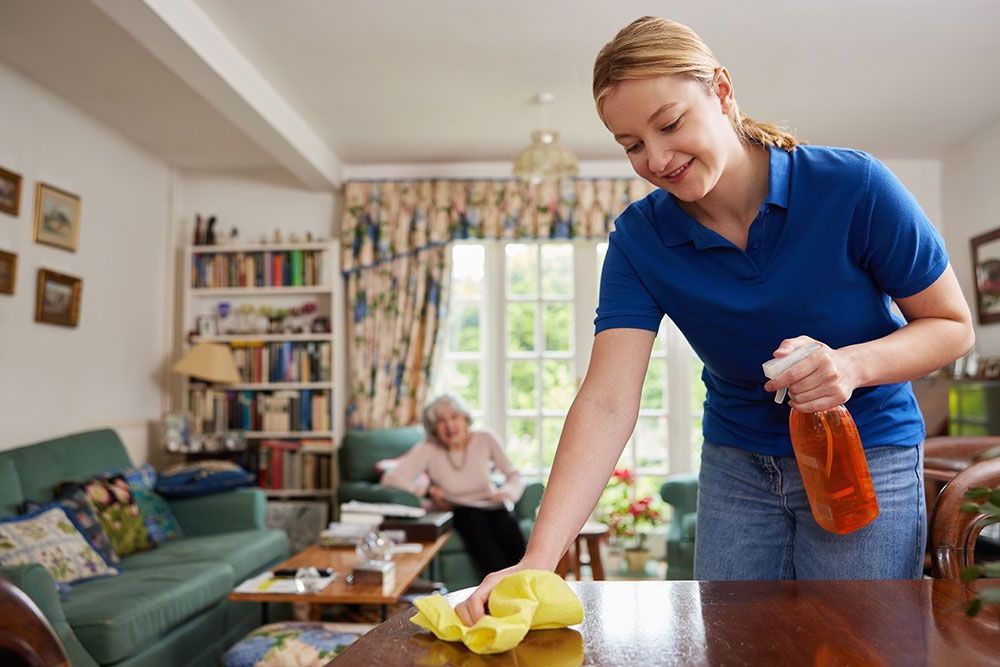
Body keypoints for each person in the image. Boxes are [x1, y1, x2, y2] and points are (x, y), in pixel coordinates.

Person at [456, 16, 975, 624]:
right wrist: (537, 561)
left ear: (721, 91)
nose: (656, 158)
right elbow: (606, 400)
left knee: (853, 645)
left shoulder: (852, 187)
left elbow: (951, 324)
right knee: (734, 646)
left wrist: (853, 364)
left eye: (670, 124)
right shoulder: (640, 238)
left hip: (865, 455)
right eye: (630, 145)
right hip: (738, 466)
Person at [381, 394, 527, 576]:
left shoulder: (485, 438)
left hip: (490, 503)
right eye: (441, 421)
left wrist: (508, 492)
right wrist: (426, 490)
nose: (449, 426)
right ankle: (500, 586)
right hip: (458, 509)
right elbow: (391, 477)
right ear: (434, 429)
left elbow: (513, 475)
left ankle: (527, 579)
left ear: (465, 419)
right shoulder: (428, 449)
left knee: (506, 521)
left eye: (454, 417)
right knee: (474, 520)